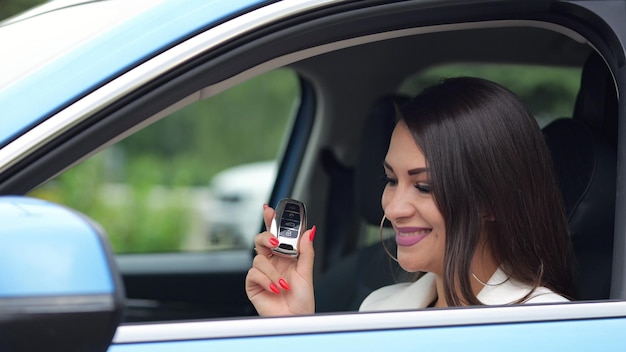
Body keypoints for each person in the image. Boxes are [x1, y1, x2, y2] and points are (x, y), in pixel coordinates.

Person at [245, 77, 576, 316]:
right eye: (391, 180)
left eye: (424, 186)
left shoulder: (545, 324)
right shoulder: (379, 307)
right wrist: (293, 327)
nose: (393, 207)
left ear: (490, 200)